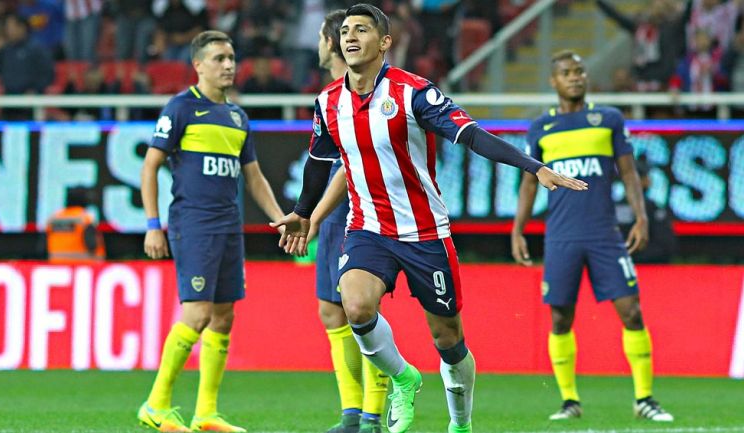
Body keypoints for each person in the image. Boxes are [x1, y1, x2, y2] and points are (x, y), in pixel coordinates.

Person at [271, 5, 587, 433]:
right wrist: (302, 213)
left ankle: (460, 424)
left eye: (362, 30)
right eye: (345, 30)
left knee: (448, 340)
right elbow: (318, 161)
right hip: (367, 227)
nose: (350, 36)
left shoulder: (412, 93)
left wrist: (532, 166)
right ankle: (403, 377)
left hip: (424, 233)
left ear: (385, 43)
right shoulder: (328, 103)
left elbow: (471, 133)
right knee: (355, 303)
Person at [511, 50, 674, 422]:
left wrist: (641, 217)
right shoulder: (541, 127)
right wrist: (518, 228)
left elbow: (630, 173)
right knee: (560, 320)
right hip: (562, 236)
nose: (575, 77)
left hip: (605, 234)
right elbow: (528, 184)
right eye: (567, 73)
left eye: (580, 71)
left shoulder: (609, 119)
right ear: (553, 81)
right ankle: (569, 400)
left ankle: (645, 398)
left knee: (632, 312)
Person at [138, 30, 285, 433]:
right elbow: (150, 166)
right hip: (194, 224)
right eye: (219, 58)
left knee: (223, 317)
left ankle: (206, 414)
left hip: (228, 226)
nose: (228, 65)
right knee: (198, 312)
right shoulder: (181, 108)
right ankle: (156, 403)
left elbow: (253, 177)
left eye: (232, 57)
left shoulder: (238, 117)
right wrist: (154, 226)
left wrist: (278, 217)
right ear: (198, 65)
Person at [307, 9, 389, 433]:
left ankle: (374, 411)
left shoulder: (367, 93)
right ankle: (352, 413)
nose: (326, 44)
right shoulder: (328, 99)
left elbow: (348, 167)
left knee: (361, 309)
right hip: (335, 213)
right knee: (331, 309)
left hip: (362, 211)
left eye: (328, 37)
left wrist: (313, 216)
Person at [616, 160, 676, 264]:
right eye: (645, 177)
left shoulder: (611, 207)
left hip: (618, 265)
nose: (649, 181)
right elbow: (667, 246)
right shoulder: (652, 208)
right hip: (649, 266)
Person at [45, 187, 105, 263]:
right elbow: (91, 244)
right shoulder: (85, 218)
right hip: (82, 266)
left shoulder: (54, 219)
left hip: (57, 266)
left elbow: (43, 246)